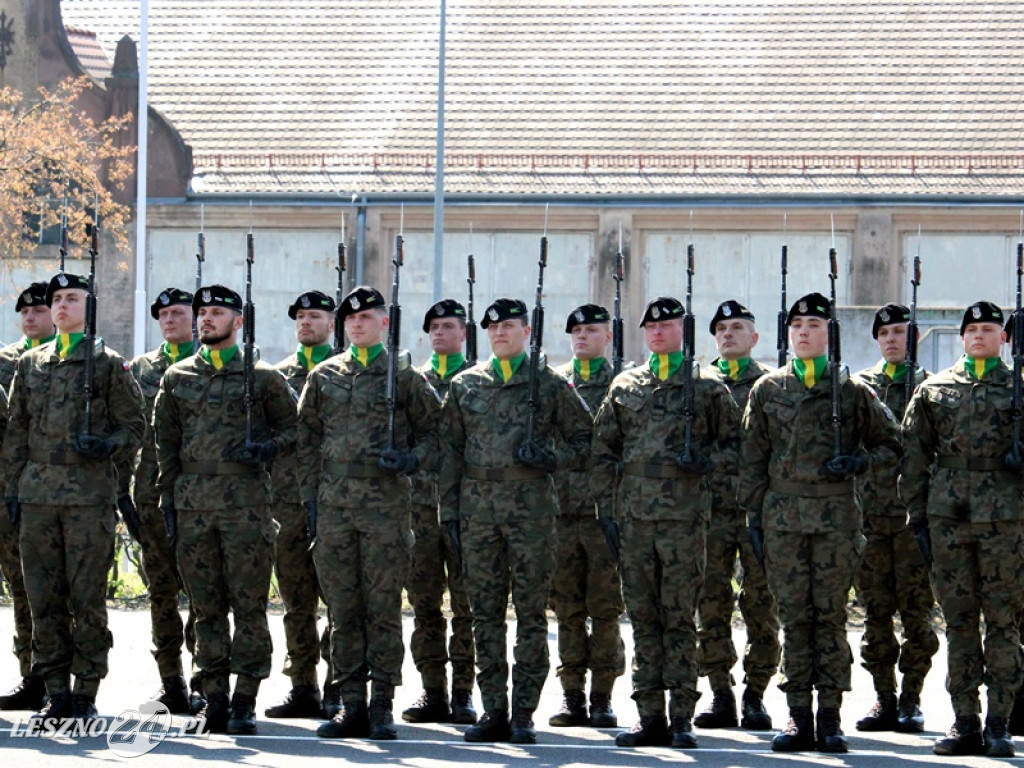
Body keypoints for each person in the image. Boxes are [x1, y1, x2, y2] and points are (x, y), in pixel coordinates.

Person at [738, 292, 901, 753]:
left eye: (813, 324)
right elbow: (751, 459)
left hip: (835, 519)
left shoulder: (851, 390)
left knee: (828, 617)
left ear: (830, 333)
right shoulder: (767, 389)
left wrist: (857, 463)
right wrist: (755, 516)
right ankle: (797, 715)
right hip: (784, 521)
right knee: (793, 618)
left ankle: (829, 714)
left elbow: (891, 444)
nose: (803, 332)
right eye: (796, 326)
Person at [438, 297, 592, 744]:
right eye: (493, 328)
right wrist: (449, 512)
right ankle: (494, 709)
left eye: (508, 326)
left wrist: (551, 458)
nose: (500, 333)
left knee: (529, 614)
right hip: (478, 511)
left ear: (527, 332)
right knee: (483, 613)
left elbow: (586, 439)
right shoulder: (465, 385)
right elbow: (450, 453)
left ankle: (523, 711)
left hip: (531, 512)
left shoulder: (547, 384)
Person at [592, 296, 741, 749]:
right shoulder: (625, 386)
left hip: (684, 519)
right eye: (651, 327)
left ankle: (681, 717)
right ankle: (648, 715)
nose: (658, 332)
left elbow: (738, 447)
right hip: (635, 520)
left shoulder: (708, 387)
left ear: (683, 329)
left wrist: (707, 463)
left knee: (679, 617)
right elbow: (603, 450)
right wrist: (608, 509)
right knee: (642, 617)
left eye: (668, 325)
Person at [298, 286, 440, 741]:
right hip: (335, 507)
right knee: (343, 609)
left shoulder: (404, 377)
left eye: (367, 317)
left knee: (382, 609)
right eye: (350, 319)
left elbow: (436, 435)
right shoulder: (323, 377)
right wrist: (312, 502)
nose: (356, 324)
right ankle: (350, 703)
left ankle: (381, 705)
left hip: (385, 508)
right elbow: (306, 444)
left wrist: (412, 461)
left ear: (384, 323)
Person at [154, 284, 297, 735]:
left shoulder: (263, 377)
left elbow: (296, 430)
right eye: (203, 313)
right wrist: (169, 503)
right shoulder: (177, 378)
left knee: (249, 605)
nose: (206, 319)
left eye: (217, 312)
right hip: (195, 507)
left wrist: (266, 448)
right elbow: (166, 447)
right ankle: (213, 694)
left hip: (246, 507)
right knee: (205, 606)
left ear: (238, 322)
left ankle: (245, 698)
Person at [3, 272, 145, 722]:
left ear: (90, 307)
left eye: (72, 299)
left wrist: (108, 445)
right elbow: (16, 434)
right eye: (57, 299)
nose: (61, 306)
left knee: (86, 599)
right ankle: (55, 690)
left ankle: (86, 690)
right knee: (43, 598)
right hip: (38, 497)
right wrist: (12, 490)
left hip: (87, 497)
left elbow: (135, 426)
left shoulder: (107, 363)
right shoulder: (31, 364)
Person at [901, 300, 1024, 757]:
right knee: (958, 623)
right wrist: (917, 515)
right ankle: (965, 720)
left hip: (1005, 520)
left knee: (1003, 623)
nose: (979, 335)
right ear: (961, 337)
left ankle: (1000, 723)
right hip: (949, 517)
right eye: (972, 328)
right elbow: (914, 457)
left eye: (989, 328)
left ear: (1004, 338)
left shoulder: (1018, 389)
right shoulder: (934, 390)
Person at [852, 303, 937, 733]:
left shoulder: (933, 388)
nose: (891, 339)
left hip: (913, 521)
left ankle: (911, 698)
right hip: (869, 519)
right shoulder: (857, 388)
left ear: (916, 337)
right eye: (884, 333)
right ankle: (883, 698)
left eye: (900, 332)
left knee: (917, 613)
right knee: (875, 614)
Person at [694, 300, 779, 731]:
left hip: (758, 512)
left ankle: (756, 694)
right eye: (722, 328)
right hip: (709, 512)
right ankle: (719, 692)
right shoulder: (696, 384)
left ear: (755, 337)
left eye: (738, 327)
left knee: (761, 605)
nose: (729, 334)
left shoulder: (771, 384)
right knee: (711, 604)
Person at [548, 303, 625, 729]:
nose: (581, 336)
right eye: (575, 330)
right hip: (561, 512)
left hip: (606, 514)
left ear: (608, 336)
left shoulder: (625, 383)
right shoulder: (555, 383)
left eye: (591, 330)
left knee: (606, 608)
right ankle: (572, 695)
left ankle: (603, 697)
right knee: (567, 609)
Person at [402, 299, 478, 725]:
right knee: (425, 604)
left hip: (468, 510)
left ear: (464, 333)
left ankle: (464, 693)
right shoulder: (413, 381)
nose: (439, 332)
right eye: (433, 326)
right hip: (420, 508)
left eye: (448, 326)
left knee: (467, 606)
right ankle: (433, 690)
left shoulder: (480, 380)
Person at [264, 290, 337, 720]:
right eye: (301, 317)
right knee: (296, 602)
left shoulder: (345, 372)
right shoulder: (275, 377)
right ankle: (302, 686)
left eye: (315, 316)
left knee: (341, 602)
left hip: (335, 503)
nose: (306, 322)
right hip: (288, 503)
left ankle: (338, 687)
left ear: (333, 323)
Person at [127, 288, 199, 714]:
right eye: (163, 314)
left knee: (207, 593)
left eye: (178, 313)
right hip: (152, 493)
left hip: (199, 494)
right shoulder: (141, 369)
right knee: (162, 592)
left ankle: (208, 678)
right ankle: (171, 681)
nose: (169, 320)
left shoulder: (208, 367)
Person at [0, 282, 54, 712]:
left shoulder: (79, 361)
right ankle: (31, 676)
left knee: (33, 586)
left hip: (41, 491)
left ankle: (43, 675)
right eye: (26, 312)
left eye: (40, 309)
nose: (32, 317)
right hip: (6, 490)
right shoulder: (5, 362)